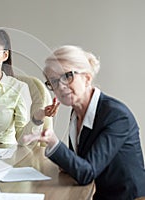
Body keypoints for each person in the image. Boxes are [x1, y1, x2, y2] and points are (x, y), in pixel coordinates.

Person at [25, 45, 145, 199]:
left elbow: (86, 173)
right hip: (98, 194)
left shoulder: (117, 116)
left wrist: (53, 142)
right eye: (53, 81)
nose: (60, 86)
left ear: (87, 78)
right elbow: (78, 164)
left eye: (68, 76)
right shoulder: (76, 112)